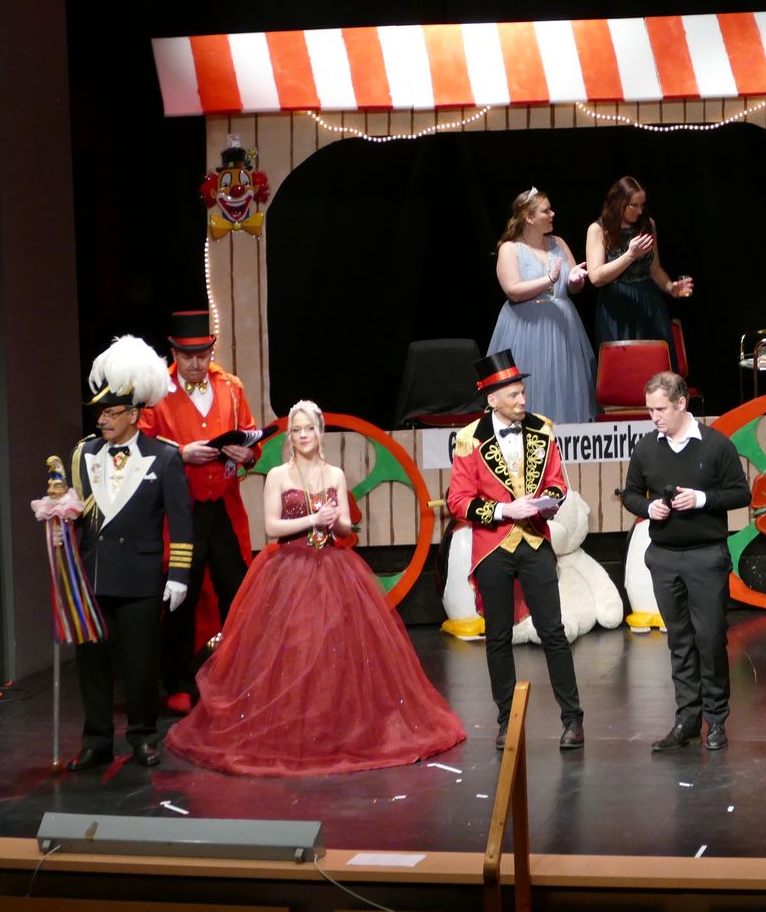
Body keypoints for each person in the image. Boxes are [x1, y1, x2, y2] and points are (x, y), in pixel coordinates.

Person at [166, 400, 466, 774]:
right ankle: (290, 725)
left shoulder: (334, 474)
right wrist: (313, 518)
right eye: (297, 430)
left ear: (320, 432)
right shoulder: (278, 475)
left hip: (332, 565)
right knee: (293, 645)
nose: (303, 435)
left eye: (309, 428)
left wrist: (335, 521)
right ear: (290, 436)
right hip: (289, 567)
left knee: (336, 646)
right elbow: (272, 528)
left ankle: (336, 724)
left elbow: (344, 528)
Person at [447, 350, 585, 750]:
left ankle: (573, 720)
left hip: (535, 541)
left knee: (553, 631)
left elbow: (557, 483)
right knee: (497, 636)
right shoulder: (471, 439)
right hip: (493, 546)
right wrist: (504, 510)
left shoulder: (543, 429)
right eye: (514, 395)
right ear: (492, 400)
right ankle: (507, 720)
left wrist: (549, 501)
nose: (523, 400)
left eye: (523, 393)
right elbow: (459, 501)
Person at [68, 335, 193, 770]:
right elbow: (78, 511)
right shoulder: (84, 454)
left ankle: (142, 736)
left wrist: (178, 575)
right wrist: (56, 514)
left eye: (111, 412)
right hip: (95, 575)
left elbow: (181, 521)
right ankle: (97, 740)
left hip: (140, 578)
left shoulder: (164, 458)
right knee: (93, 662)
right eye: (100, 413)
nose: (102, 419)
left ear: (134, 415)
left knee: (140, 664)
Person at [621, 371, 749, 753]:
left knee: (709, 639)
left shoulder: (715, 445)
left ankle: (717, 719)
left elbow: (741, 493)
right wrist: (648, 507)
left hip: (705, 556)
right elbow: (630, 494)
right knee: (679, 641)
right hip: (664, 557)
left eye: (660, 409)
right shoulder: (646, 448)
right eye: (649, 410)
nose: (654, 417)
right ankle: (687, 720)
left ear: (681, 403)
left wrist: (701, 499)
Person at [139, 310, 259, 715]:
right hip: (181, 512)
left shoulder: (230, 387)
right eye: (187, 357)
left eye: (202, 356)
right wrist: (180, 453)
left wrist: (247, 454)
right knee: (181, 594)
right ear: (174, 353)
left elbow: (252, 436)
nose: (195, 364)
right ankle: (178, 681)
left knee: (236, 590)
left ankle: (238, 674)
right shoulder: (158, 391)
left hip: (223, 508)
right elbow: (143, 447)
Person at [488, 187, 597, 423]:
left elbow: (573, 286)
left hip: (562, 327)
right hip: (527, 328)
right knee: (531, 385)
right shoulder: (510, 248)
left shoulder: (558, 242)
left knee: (564, 383)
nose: (552, 214)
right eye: (546, 211)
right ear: (529, 217)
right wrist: (548, 279)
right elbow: (513, 291)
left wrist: (574, 280)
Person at [585, 176, 694, 359]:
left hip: (648, 300)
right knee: (625, 366)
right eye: (633, 205)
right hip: (617, 304)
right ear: (618, 203)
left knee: (656, 361)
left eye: (642, 205)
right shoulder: (598, 229)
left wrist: (670, 287)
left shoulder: (647, 224)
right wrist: (630, 255)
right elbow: (596, 277)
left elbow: (654, 269)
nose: (639, 210)